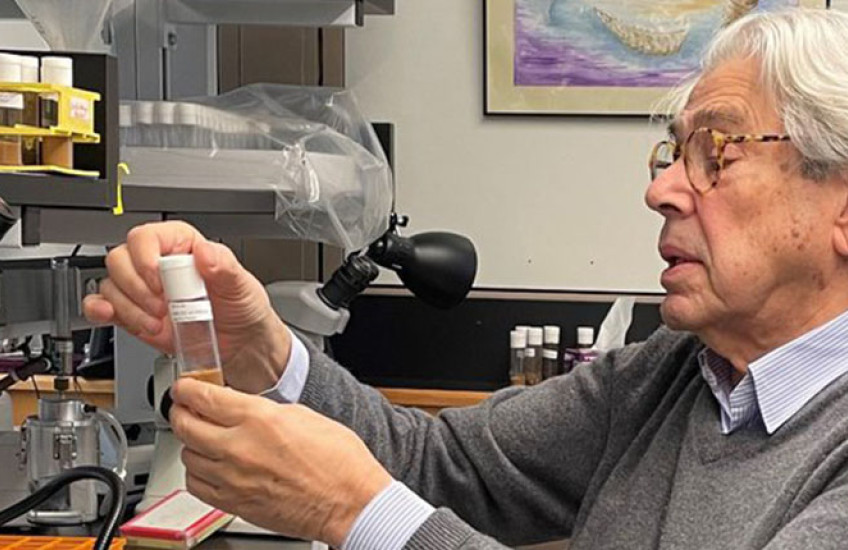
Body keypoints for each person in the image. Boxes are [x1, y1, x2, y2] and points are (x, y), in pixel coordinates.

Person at [85, 8, 848, 549]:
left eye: (716, 153)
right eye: (673, 155)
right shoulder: (674, 378)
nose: (663, 190)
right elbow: (442, 467)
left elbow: (385, 493)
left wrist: (356, 511)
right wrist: (266, 351)